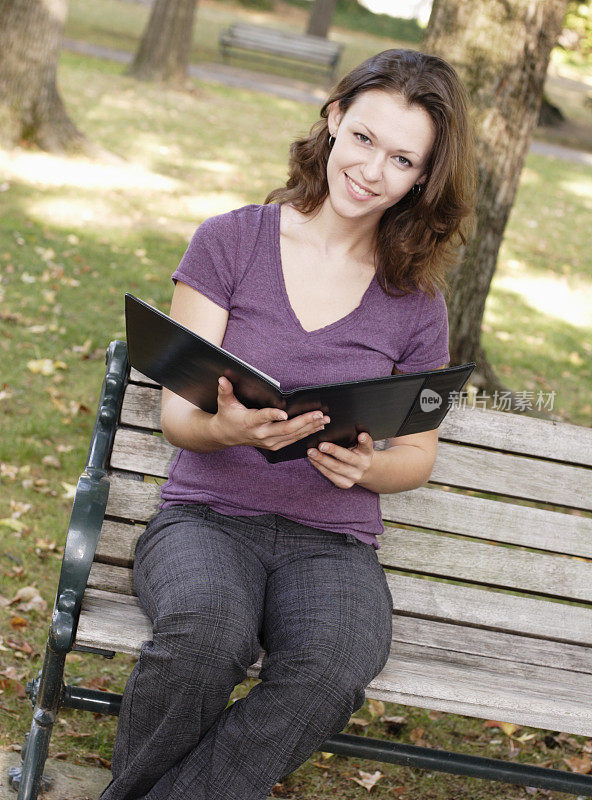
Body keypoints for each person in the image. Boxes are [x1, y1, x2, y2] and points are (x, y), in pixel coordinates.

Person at [99, 48, 475, 800]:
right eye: (364, 138)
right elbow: (178, 413)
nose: (371, 170)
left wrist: (369, 468)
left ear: (423, 178)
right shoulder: (230, 243)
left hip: (333, 545)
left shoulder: (416, 304)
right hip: (207, 520)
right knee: (205, 640)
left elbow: (417, 457)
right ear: (334, 120)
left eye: (402, 159)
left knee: (332, 669)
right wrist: (227, 430)